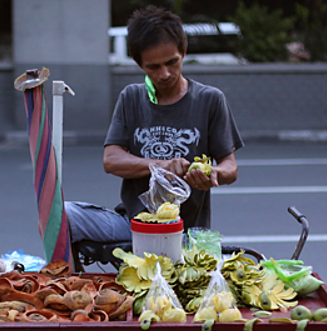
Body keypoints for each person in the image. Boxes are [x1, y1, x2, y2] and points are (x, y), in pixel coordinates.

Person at [65, 5, 243, 265]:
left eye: (172, 62)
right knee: (56, 215)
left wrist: (214, 174)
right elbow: (111, 160)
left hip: (186, 235)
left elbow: (231, 167)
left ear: (183, 51)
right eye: (154, 67)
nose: (165, 74)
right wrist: (160, 166)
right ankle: (69, 288)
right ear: (139, 64)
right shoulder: (132, 98)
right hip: (132, 226)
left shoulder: (209, 100)